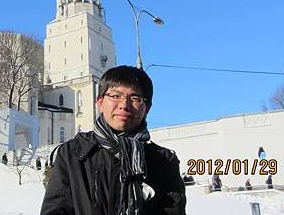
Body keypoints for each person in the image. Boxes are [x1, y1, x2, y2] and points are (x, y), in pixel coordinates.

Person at [41, 65, 186, 215]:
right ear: (101, 102)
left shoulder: (163, 161)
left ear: (147, 108)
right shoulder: (73, 154)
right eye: (115, 96)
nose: (124, 105)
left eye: (134, 98)